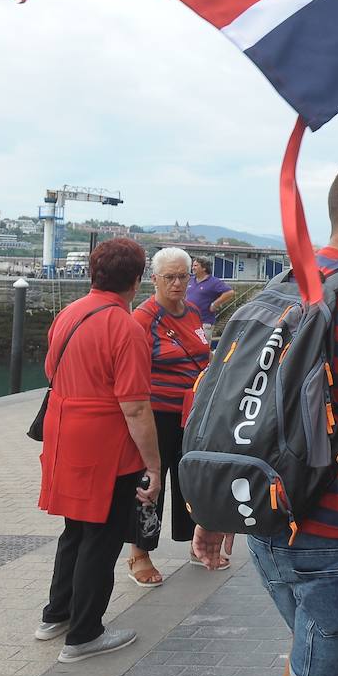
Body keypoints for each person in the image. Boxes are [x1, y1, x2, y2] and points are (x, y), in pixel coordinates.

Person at [192, 160, 338, 676]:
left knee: (306, 658)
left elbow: (236, 400)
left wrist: (219, 506)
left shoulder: (285, 286)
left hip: (269, 522)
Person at [35, 237, 161, 663]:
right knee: (102, 537)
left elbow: (51, 370)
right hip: (105, 441)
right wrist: (154, 466)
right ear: (138, 279)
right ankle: (85, 633)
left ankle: (57, 614)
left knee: (75, 529)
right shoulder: (125, 327)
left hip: (64, 433)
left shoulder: (68, 314)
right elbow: (136, 407)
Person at [125, 247, 213, 586]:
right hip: (157, 412)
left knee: (192, 479)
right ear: (154, 280)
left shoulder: (192, 312)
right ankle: (140, 553)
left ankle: (197, 542)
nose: (177, 284)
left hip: (191, 413)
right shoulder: (143, 318)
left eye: (183, 276)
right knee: (151, 484)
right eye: (170, 277)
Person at [186, 256, 233, 342]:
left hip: (204, 322)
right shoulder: (190, 280)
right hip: (188, 321)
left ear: (204, 268)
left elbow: (229, 292)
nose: (193, 268)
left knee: (203, 349)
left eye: (196, 266)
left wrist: (215, 304)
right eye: (193, 265)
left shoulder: (214, 282)